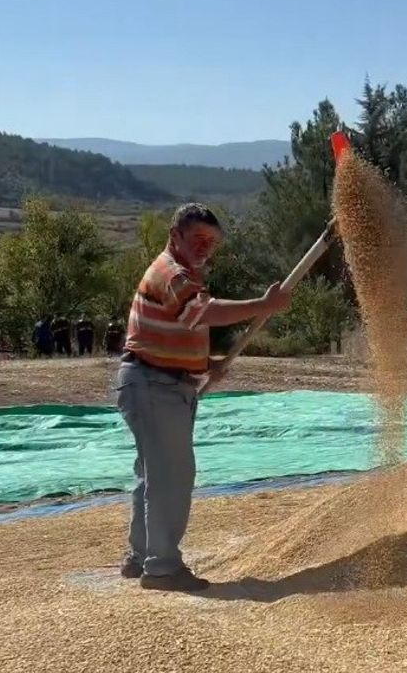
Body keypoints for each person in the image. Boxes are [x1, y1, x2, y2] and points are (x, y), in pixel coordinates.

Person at [113, 202, 292, 592]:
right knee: (171, 476)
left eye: (211, 241)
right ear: (175, 235)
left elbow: (175, 329)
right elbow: (203, 314)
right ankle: (162, 568)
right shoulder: (171, 273)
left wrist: (204, 364)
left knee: (154, 474)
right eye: (197, 238)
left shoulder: (183, 275)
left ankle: (141, 557)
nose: (204, 247)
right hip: (155, 385)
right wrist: (263, 306)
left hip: (158, 383)